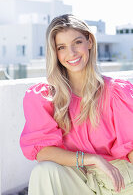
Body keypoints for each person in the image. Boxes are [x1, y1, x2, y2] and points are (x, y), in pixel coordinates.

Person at [20, 14, 133, 195]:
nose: (71, 53)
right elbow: (42, 152)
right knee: (43, 171)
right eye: (61, 47)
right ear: (54, 52)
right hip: (78, 179)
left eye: (77, 42)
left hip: (119, 179)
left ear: (89, 42)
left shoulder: (117, 93)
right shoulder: (46, 97)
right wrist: (93, 159)